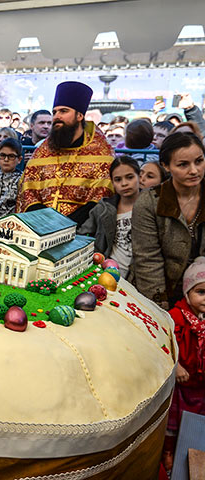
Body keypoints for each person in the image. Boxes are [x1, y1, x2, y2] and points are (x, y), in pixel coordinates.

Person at [16, 81, 114, 225]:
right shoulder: (42, 151)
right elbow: (28, 190)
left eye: (63, 111)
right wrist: (45, 222)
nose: (56, 116)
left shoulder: (102, 153)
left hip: (82, 228)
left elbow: (102, 195)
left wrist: (67, 224)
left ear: (79, 115)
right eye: (54, 112)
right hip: (41, 226)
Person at [131, 132, 205, 309]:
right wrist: (160, 307)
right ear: (166, 166)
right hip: (162, 291)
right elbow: (148, 260)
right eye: (183, 164)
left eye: (199, 161)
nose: (194, 170)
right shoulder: (149, 202)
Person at [163, 257, 205, 472]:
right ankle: (169, 451)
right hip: (182, 385)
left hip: (201, 385)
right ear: (187, 292)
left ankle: (195, 449)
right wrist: (177, 366)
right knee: (173, 421)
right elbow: (165, 344)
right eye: (201, 292)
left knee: (198, 421)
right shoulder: (176, 317)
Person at [78, 156, 140, 279]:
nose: (124, 183)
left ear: (140, 176)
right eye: (118, 179)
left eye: (130, 177)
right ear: (112, 182)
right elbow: (82, 235)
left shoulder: (152, 207)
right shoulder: (103, 209)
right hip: (108, 273)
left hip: (140, 275)